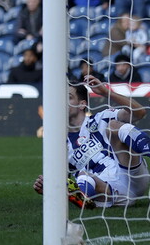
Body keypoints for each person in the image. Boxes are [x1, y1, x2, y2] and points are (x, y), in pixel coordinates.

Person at [34, 77, 150, 207]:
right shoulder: (60, 146)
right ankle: (84, 198)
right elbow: (61, 180)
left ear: (82, 104)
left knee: (114, 126)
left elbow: (139, 112)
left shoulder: (102, 118)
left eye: (68, 97)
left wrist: (106, 92)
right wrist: (48, 186)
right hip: (108, 191)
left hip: (132, 174)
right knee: (83, 176)